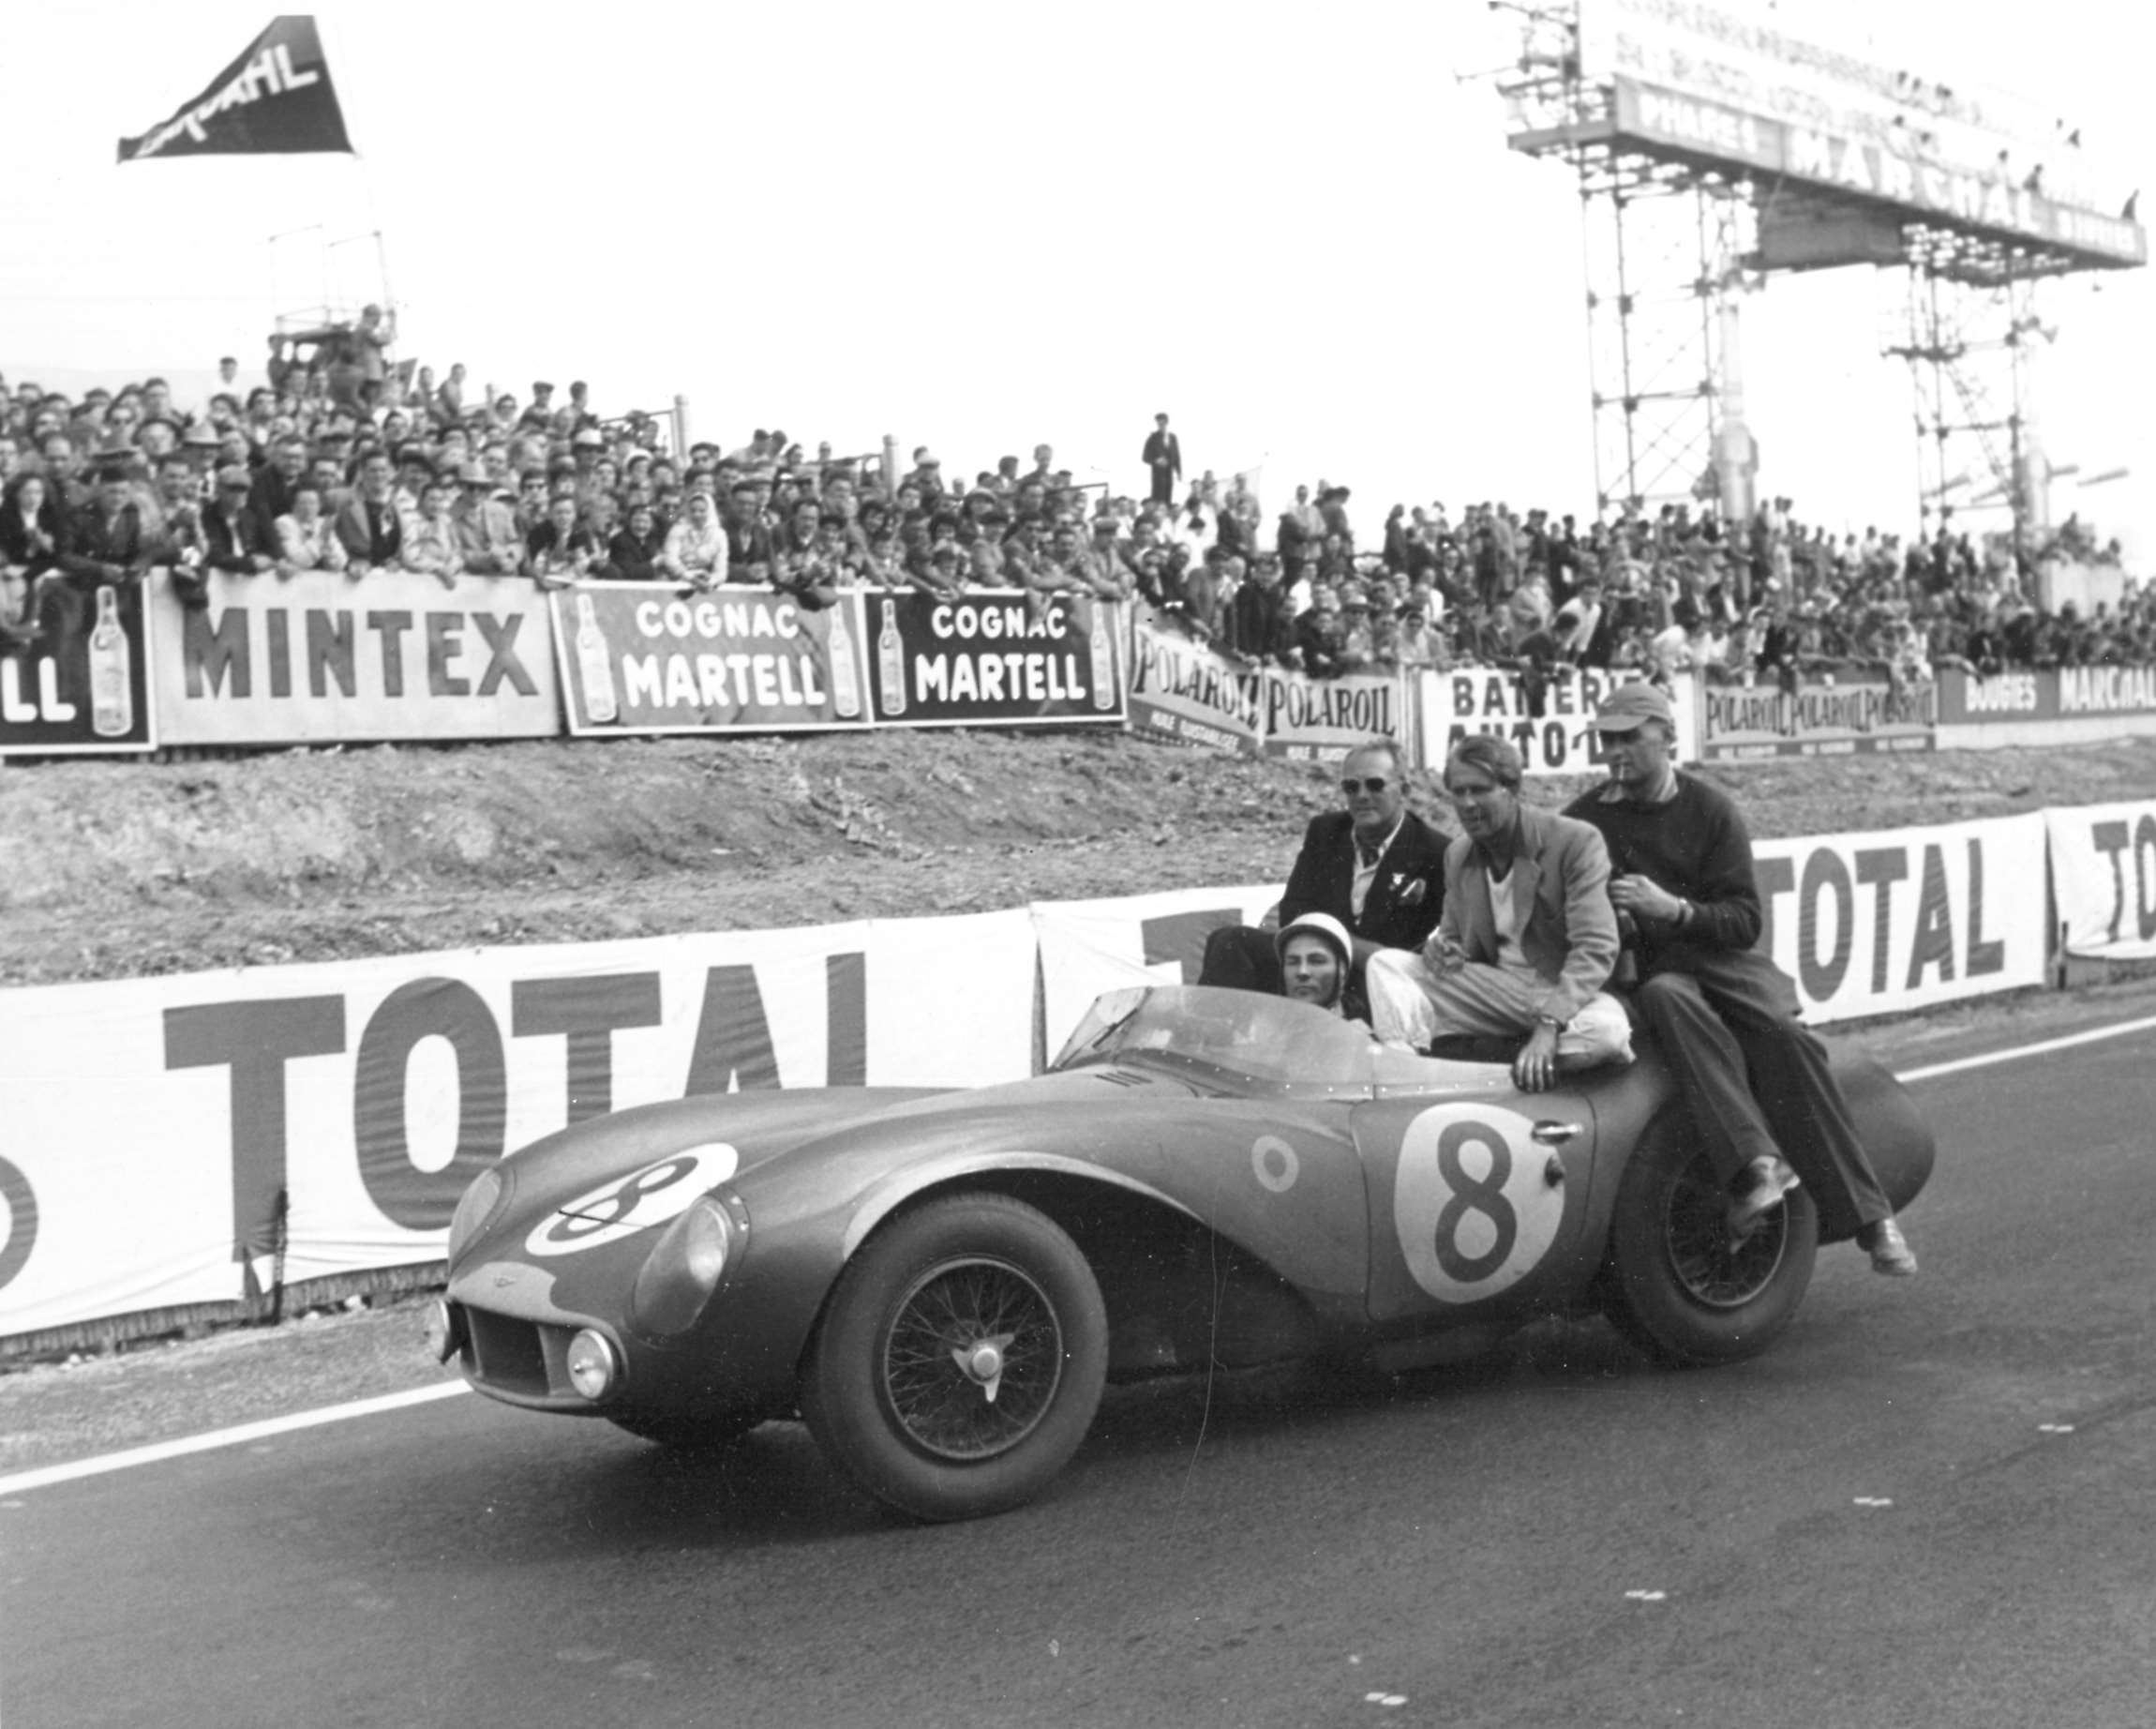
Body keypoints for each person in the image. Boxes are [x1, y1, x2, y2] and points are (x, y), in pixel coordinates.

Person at [1562, 682, 1918, 1274]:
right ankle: (1756, 1166)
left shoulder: (1710, 810)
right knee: (1664, 995)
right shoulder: (1585, 820)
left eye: (1629, 737)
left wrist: (1672, 909)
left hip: (1720, 962)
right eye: (1607, 740)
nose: (1616, 751)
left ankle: (1873, 1218)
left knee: (1788, 1040)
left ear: (1668, 738)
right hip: (1651, 975)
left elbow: (1744, 920)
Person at [1365, 736, 1633, 1091]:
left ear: (1512, 788)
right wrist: (1441, 948)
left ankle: (1492, 1058)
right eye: (1458, 792)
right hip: (1496, 991)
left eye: (1480, 790)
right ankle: (1405, 1073)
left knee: (1608, 1033)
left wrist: (1550, 1025)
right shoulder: (1458, 854)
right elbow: (1453, 938)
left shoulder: (1574, 841)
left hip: (1557, 988)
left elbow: (1596, 947)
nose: (1468, 803)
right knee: (1385, 965)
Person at [1198, 737, 1447, 1015]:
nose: (1362, 795)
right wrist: (1344, 946)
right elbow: (1293, 910)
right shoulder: (1326, 830)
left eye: (1375, 785)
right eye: (1351, 787)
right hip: (1316, 959)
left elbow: (1451, 936)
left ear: (1404, 790)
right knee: (1231, 941)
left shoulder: (1436, 850)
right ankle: (1208, 1039)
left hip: (1376, 980)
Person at [1277, 913, 1352, 1016]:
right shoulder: (1264, 1026)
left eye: (1317, 961)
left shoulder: (1358, 1031)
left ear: (1342, 971)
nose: (1302, 971)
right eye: (1293, 962)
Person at [1142, 413, 1182, 506]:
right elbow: (1144, 457)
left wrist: (1179, 472)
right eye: (1159, 424)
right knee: (1158, 501)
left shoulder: (1173, 438)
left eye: (1163, 423)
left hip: (1169, 475)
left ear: (1167, 423)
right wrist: (1156, 461)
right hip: (1158, 476)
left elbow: (1177, 456)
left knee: (1168, 500)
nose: (1161, 426)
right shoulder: (1152, 438)